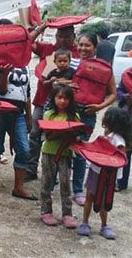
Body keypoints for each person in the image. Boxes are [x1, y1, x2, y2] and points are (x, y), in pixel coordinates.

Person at [26, 24, 79, 182]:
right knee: (35, 135)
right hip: (42, 101)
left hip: (65, 106)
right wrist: (43, 26)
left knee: (60, 137)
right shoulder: (48, 49)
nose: (62, 40)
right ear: (55, 36)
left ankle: (55, 172)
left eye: (67, 36)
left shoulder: (78, 53)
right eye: (59, 36)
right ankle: (30, 169)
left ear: (73, 37)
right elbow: (27, 42)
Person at [0, 18, 35, 201]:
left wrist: (29, 117)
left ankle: (19, 187)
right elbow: (0, 89)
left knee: (24, 150)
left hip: (18, 114)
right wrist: (5, 74)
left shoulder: (23, 62)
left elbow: (27, 91)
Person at [70, 33, 117, 206]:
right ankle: (54, 186)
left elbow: (113, 93)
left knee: (80, 152)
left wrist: (99, 107)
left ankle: (77, 190)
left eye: (87, 45)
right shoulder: (70, 61)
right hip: (68, 111)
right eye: (80, 45)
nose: (83, 48)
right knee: (61, 148)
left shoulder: (104, 68)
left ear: (95, 48)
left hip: (88, 113)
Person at [78, 107, 131, 239]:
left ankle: (103, 225)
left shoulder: (118, 140)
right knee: (90, 196)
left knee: (103, 200)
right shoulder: (105, 134)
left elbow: (121, 157)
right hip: (95, 170)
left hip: (107, 175)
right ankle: (85, 223)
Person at [39, 85, 79, 228]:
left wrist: (70, 133)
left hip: (66, 153)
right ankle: (45, 211)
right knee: (46, 181)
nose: (62, 101)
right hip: (49, 152)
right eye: (59, 97)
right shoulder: (49, 114)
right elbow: (49, 136)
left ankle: (67, 213)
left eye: (66, 98)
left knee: (65, 183)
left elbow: (76, 135)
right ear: (53, 98)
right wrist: (64, 131)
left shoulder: (74, 116)